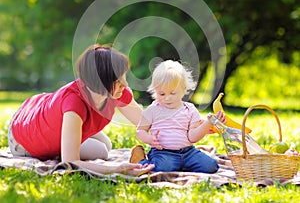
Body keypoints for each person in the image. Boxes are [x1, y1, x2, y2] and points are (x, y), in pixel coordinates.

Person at [8, 44, 154, 176]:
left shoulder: (118, 92)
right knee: (101, 151)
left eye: (123, 76)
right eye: (117, 81)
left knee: (107, 144)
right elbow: (70, 162)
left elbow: (146, 124)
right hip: (23, 138)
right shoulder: (74, 105)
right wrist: (118, 169)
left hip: (38, 108)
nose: (125, 84)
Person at [132, 60, 226, 173]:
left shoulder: (190, 110)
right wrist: (149, 139)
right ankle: (139, 161)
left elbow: (192, 137)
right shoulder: (153, 110)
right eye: (162, 94)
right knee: (161, 169)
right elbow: (140, 130)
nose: (167, 98)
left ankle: (182, 166)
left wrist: (209, 123)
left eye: (172, 93)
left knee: (211, 167)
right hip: (163, 153)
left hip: (188, 153)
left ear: (184, 89)